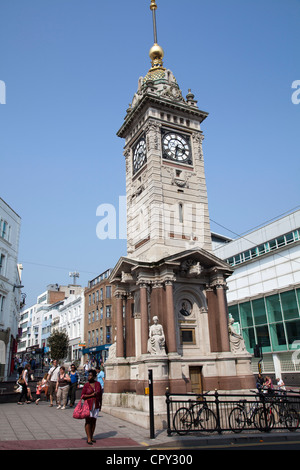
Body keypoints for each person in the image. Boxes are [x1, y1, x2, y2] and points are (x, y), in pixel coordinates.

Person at [81, 369, 102, 445]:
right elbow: (82, 396)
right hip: (88, 405)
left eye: (90, 375)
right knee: (88, 421)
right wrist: (91, 395)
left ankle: (92, 436)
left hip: (95, 404)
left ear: (94, 376)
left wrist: (100, 405)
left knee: (94, 421)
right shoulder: (86, 385)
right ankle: (88, 438)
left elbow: (100, 395)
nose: (89, 377)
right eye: (88, 375)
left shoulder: (98, 384)